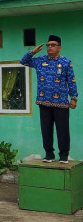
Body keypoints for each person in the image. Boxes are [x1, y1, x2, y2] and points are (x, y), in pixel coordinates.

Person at [20, 34, 78, 163]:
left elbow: (71, 81)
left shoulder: (66, 62)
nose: (50, 47)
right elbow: (23, 61)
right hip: (43, 102)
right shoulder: (40, 60)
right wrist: (32, 52)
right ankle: (49, 155)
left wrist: (73, 98)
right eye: (48, 45)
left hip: (61, 103)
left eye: (53, 45)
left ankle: (63, 156)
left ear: (59, 47)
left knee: (62, 130)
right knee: (46, 130)